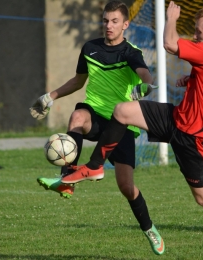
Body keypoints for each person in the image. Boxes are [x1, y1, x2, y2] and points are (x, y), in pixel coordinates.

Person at [61, 1, 203, 253]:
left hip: (193, 138)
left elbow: (170, 43)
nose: (194, 36)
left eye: (198, 32)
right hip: (177, 118)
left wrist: (170, 18)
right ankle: (94, 167)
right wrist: (194, 78)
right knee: (123, 110)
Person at [30, 0, 164, 256]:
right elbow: (78, 81)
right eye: (105, 20)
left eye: (114, 21)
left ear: (125, 24)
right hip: (94, 113)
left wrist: (144, 87)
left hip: (120, 123)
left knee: (126, 187)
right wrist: (50, 97)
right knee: (77, 116)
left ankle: (149, 228)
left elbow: (147, 77)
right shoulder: (90, 48)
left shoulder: (130, 52)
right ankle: (68, 179)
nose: (109, 25)